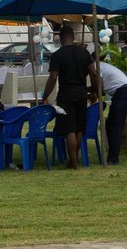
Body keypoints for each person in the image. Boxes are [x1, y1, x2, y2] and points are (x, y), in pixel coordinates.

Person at [41, 29, 100, 171]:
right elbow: (93, 73)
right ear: (73, 38)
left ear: (61, 39)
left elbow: (53, 77)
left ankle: (73, 161)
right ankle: (74, 159)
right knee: (79, 128)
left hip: (66, 94)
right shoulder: (84, 53)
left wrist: (45, 96)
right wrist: (94, 90)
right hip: (81, 93)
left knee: (69, 129)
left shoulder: (58, 55)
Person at [98, 58, 127, 166]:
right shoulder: (102, 65)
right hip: (123, 91)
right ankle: (112, 154)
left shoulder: (96, 66)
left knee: (115, 124)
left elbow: (99, 85)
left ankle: (113, 158)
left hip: (123, 91)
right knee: (111, 124)